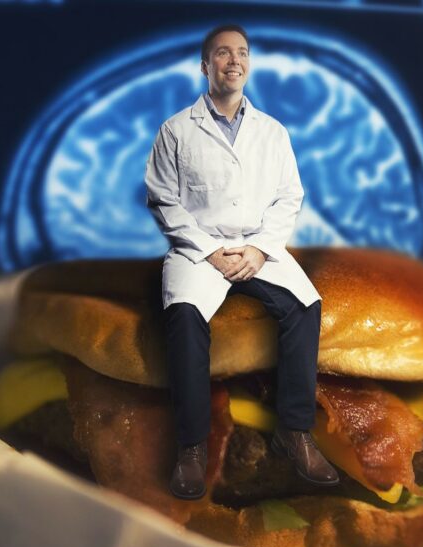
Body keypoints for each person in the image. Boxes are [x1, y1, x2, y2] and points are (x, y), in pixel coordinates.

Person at [145, 24, 339, 500]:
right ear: (205, 65)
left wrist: (259, 249)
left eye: (243, 53)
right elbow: (163, 198)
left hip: (258, 246)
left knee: (304, 306)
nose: (234, 61)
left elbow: (290, 196)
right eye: (223, 53)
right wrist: (209, 251)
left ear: (249, 64)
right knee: (186, 317)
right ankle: (191, 448)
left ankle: (293, 431)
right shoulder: (175, 130)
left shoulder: (272, 132)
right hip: (198, 248)